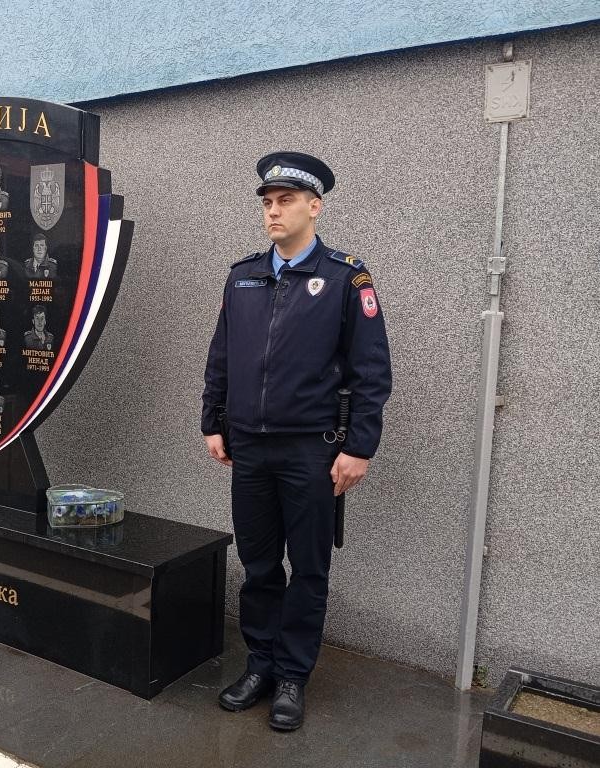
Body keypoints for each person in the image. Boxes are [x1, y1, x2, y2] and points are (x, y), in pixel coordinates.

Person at [202, 152, 391, 732]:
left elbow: (371, 372)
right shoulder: (243, 276)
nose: (273, 211)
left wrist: (359, 448)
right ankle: (260, 665)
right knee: (259, 566)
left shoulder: (345, 278)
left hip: (312, 450)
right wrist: (213, 421)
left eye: (285, 201)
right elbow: (222, 354)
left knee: (307, 569)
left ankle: (291, 676)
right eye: (267, 202)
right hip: (250, 450)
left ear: (315, 206)